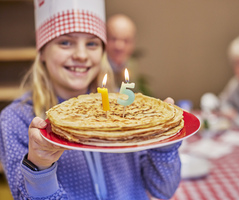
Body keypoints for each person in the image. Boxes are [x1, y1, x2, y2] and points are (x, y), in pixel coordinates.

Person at [0, 1, 182, 200]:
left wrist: (165, 145)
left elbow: (162, 190)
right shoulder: (16, 120)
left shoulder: (122, 108)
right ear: (42, 51)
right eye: (65, 42)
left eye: (92, 43)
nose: (81, 55)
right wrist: (40, 167)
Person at [102, 14, 151, 95]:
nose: (119, 46)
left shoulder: (132, 64)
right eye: (113, 39)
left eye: (126, 40)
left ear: (134, 42)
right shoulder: (96, 66)